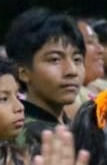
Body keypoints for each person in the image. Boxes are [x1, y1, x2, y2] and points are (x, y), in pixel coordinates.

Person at [5, 8, 86, 137]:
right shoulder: (21, 133)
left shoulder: (76, 128)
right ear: (23, 72)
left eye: (77, 59)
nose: (72, 71)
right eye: (55, 59)